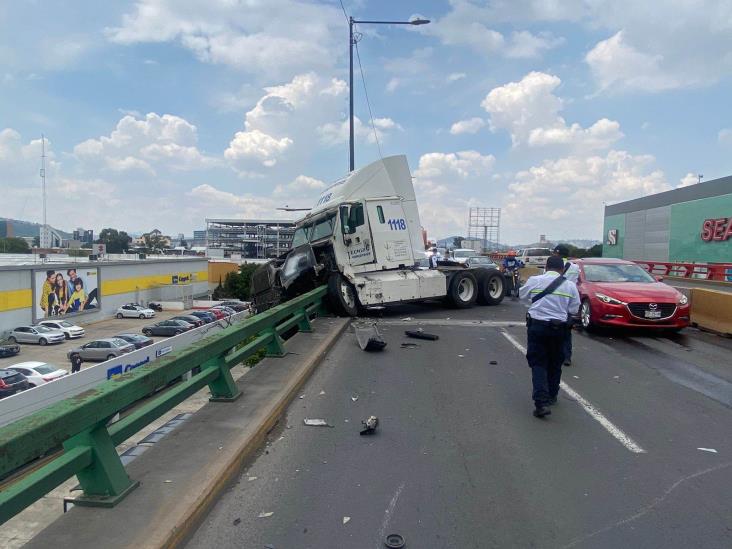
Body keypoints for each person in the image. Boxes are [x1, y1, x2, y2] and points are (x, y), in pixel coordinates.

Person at [519, 255, 580, 418]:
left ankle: (541, 403)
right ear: (562, 269)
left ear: (546, 267)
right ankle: (552, 395)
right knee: (555, 362)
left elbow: (522, 295)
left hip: (537, 326)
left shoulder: (534, 280)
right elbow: (574, 309)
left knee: (538, 363)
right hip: (559, 329)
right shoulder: (570, 286)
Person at [552, 244, 580, 366]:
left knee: (551, 328)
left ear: (557, 253)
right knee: (566, 331)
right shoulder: (575, 267)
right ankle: (567, 357)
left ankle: (553, 354)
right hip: (567, 299)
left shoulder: (553, 265)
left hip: (554, 300)